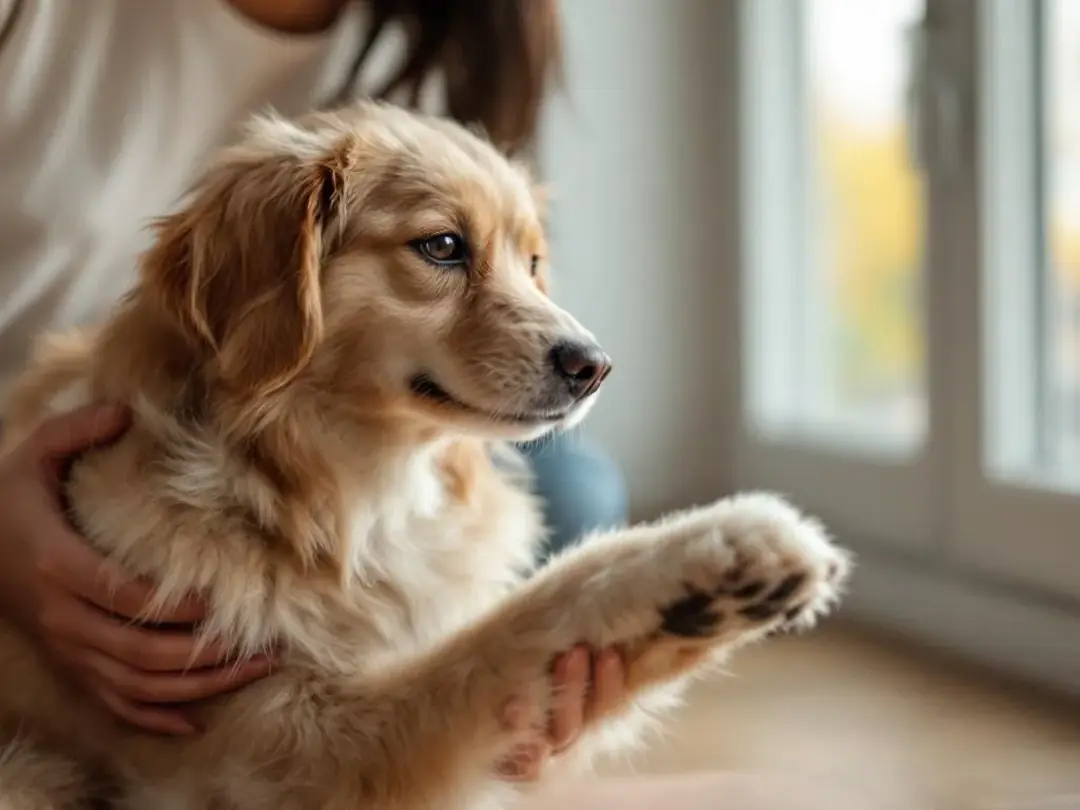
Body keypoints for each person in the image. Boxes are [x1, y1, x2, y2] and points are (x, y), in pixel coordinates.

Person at [0, 3, 828, 807]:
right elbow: (288, 768)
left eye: (531, 266)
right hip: (94, 416)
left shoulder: (457, 29)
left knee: (571, 493)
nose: (574, 340)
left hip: (350, 441)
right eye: (443, 248)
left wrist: (531, 689)